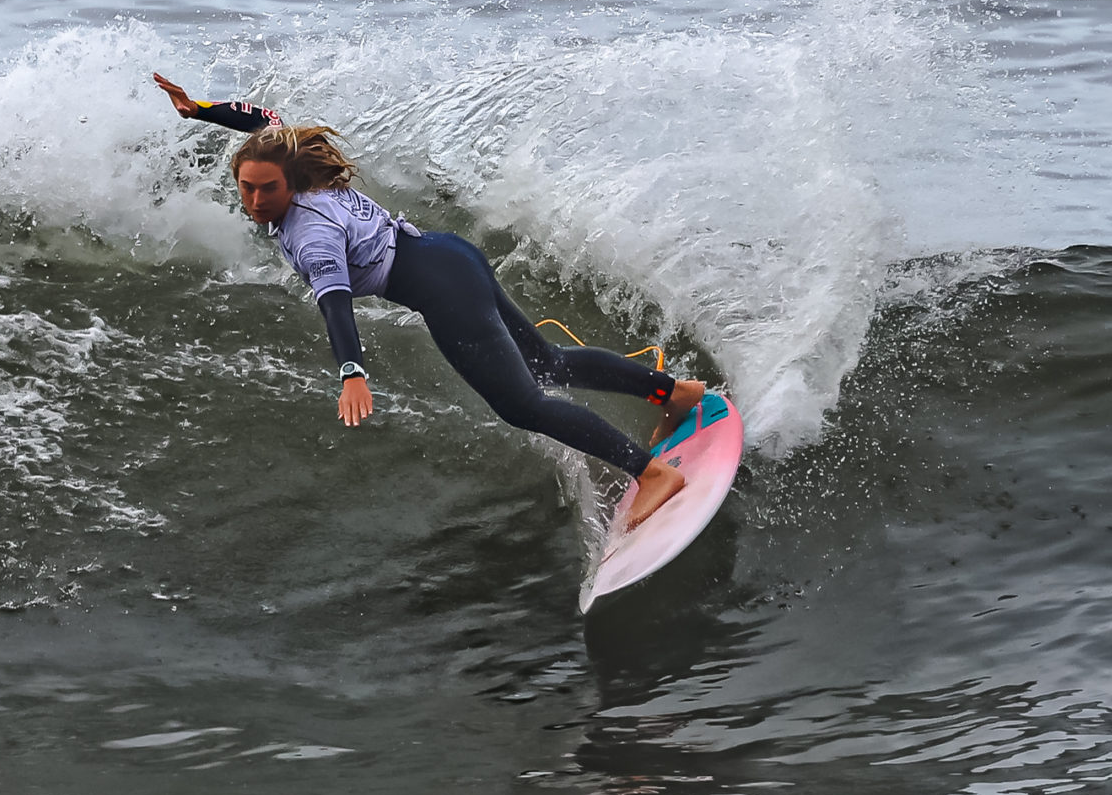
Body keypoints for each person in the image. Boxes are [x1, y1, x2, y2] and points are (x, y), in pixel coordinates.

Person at [153, 73, 704, 528]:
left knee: (523, 405)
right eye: (246, 187)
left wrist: (351, 372)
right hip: (448, 254)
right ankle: (674, 393)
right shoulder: (297, 165)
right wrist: (198, 110)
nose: (255, 200)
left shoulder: (309, 231)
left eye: (267, 189)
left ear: (290, 184)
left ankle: (651, 473)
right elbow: (262, 120)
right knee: (547, 362)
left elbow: (336, 304)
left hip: (441, 289)